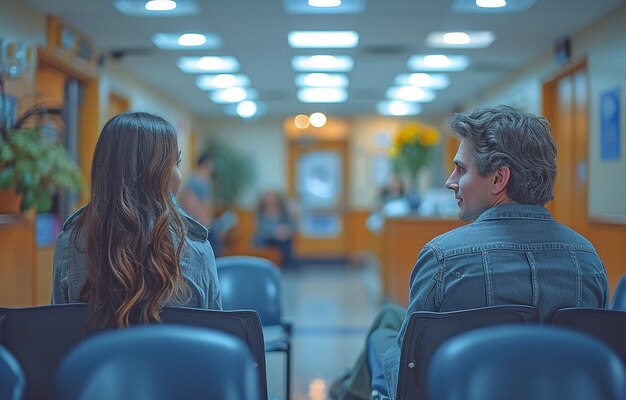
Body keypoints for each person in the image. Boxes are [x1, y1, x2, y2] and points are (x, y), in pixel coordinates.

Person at [330, 105, 609, 400]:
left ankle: (344, 391)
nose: (450, 181)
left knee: (383, 336)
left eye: (460, 169)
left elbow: (409, 382)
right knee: (389, 315)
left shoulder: (444, 257)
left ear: (499, 179)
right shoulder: (588, 259)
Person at [52, 112, 222, 330]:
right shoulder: (196, 247)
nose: (179, 175)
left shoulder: (69, 242)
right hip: (177, 365)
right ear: (158, 173)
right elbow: (215, 340)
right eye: (176, 163)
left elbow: (59, 335)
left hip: (96, 365)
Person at [252, 190, 296, 267]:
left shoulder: (283, 211)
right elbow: (261, 229)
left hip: (282, 237)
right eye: (268, 201)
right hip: (266, 237)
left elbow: (291, 225)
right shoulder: (261, 213)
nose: (270, 203)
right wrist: (275, 232)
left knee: (286, 242)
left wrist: (286, 231)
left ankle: (286, 264)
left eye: (272, 201)